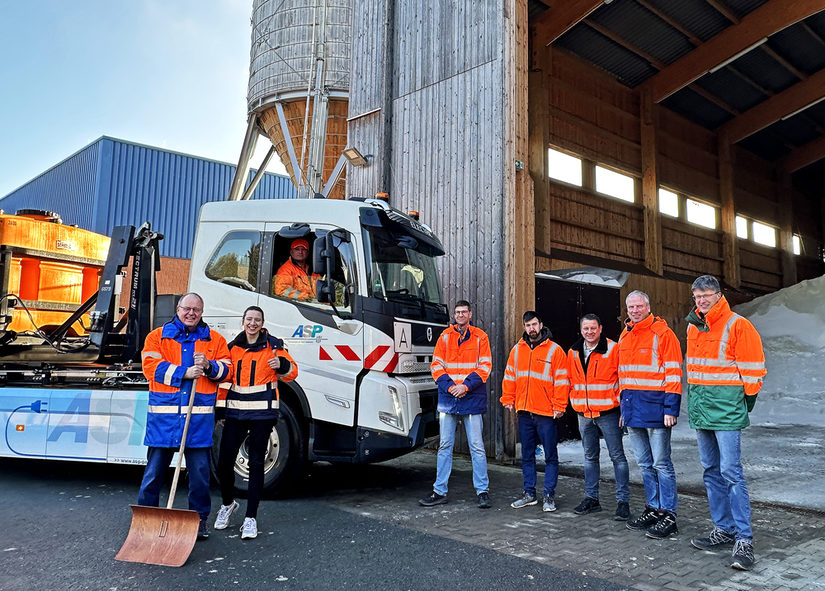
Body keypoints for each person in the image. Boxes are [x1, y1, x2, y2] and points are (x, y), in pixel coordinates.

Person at [685, 275, 766, 571]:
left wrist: (741, 407)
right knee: (710, 471)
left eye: (706, 295)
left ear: (719, 295)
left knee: (731, 473)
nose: (701, 300)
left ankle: (744, 539)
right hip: (702, 411)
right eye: (697, 296)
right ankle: (724, 528)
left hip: (726, 413)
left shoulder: (737, 325)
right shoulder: (693, 326)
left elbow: (754, 373)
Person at [138, 292, 232, 540]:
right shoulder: (157, 337)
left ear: (202, 312)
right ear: (178, 309)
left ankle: (198, 521)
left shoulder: (215, 340)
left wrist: (210, 366)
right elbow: (150, 367)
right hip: (164, 422)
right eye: (187, 308)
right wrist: (184, 373)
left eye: (196, 310)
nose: (191, 313)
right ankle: (146, 520)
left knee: (200, 477)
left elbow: (228, 371)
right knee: (153, 475)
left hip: (198, 422)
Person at [214, 306, 298, 540]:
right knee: (224, 463)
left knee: (256, 464)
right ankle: (228, 504)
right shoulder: (232, 348)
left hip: (263, 413)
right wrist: (220, 410)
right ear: (243, 321)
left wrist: (281, 366)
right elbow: (225, 381)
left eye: (257, 320)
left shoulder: (274, 345)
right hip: (236, 413)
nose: (253, 323)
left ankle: (250, 517)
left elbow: (292, 372)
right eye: (249, 319)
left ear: (262, 323)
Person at [618, 290, 683, 540]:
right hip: (633, 410)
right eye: (631, 307)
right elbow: (623, 375)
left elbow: (674, 373)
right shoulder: (625, 334)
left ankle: (669, 514)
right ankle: (653, 508)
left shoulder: (663, 334)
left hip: (657, 410)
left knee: (661, 464)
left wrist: (671, 409)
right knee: (645, 464)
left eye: (639, 306)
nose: (635, 311)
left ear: (648, 306)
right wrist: (624, 410)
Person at [419, 300, 492, 509]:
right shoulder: (444, 336)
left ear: (470, 314)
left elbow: (485, 366)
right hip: (449, 398)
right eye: (458, 312)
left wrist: (465, 386)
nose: (460, 315)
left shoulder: (481, 337)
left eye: (464, 312)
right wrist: (451, 386)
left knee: (476, 447)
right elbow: (436, 365)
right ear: (454, 315)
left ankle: (483, 491)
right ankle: (439, 491)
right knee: (444, 446)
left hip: (471, 398)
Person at [501, 311, 569, 512]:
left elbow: (562, 381)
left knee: (550, 456)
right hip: (524, 412)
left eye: (534, 324)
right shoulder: (517, 350)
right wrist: (508, 398)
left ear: (541, 325)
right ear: (524, 327)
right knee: (527, 456)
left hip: (546, 413)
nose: (531, 328)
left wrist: (560, 406)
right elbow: (510, 376)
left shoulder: (555, 350)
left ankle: (549, 495)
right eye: (528, 325)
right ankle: (529, 493)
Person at [567, 313, 630, 521]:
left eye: (593, 328)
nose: (589, 332)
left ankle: (623, 502)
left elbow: (624, 380)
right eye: (586, 328)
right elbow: (569, 379)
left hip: (608, 413)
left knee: (617, 457)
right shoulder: (573, 351)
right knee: (589, 458)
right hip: (584, 414)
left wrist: (624, 410)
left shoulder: (613, 349)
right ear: (581, 329)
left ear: (600, 329)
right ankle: (592, 499)